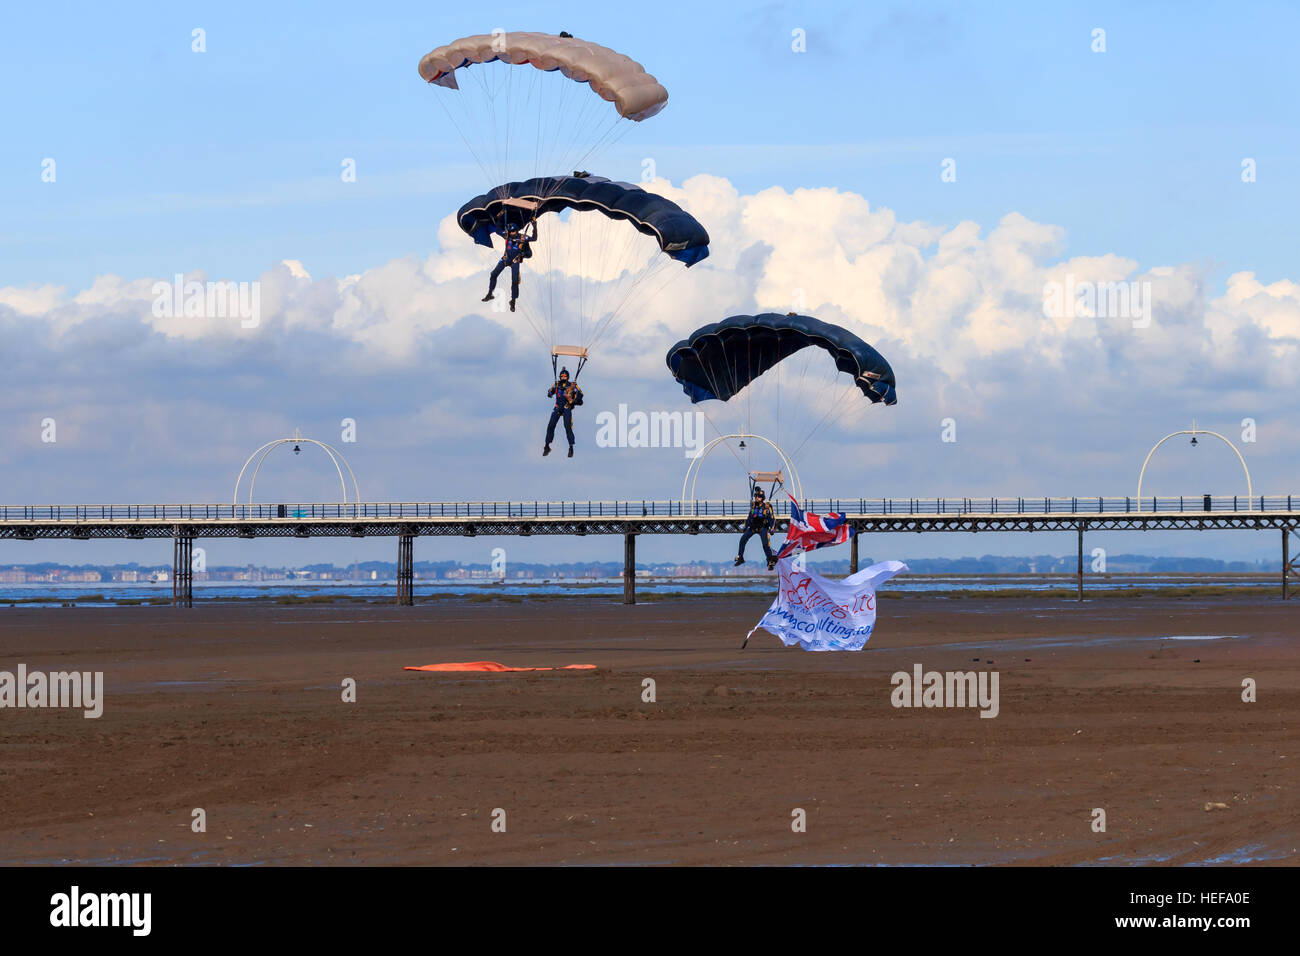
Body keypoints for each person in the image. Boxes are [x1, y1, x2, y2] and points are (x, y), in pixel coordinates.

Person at [481, 220, 537, 312]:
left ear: (517, 230)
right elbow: (498, 231)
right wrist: (499, 218)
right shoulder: (506, 235)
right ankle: (490, 294)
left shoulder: (523, 238)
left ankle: (513, 301)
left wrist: (535, 227)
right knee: (493, 274)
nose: (512, 233)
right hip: (506, 259)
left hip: (515, 260)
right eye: (510, 232)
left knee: (514, 281)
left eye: (513, 231)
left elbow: (534, 238)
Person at [544, 367, 583, 458]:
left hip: (567, 407)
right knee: (551, 425)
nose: (563, 377)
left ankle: (571, 447)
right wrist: (549, 392)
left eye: (565, 376)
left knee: (568, 426)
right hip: (558, 407)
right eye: (562, 376)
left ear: (568, 377)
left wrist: (574, 400)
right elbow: (550, 393)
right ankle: (547, 446)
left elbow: (580, 394)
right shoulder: (557, 384)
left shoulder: (572, 385)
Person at [736, 487, 776, 570]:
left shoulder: (767, 507)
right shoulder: (753, 506)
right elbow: (749, 517)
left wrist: (772, 528)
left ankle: (770, 561)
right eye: (756, 496)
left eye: (759, 496)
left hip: (762, 528)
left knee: (765, 545)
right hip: (753, 527)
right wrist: (745, 526)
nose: (757, 498)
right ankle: (740, 557)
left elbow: (772, 519)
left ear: (762, 498)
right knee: (742, 540)